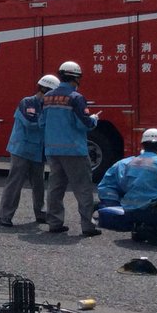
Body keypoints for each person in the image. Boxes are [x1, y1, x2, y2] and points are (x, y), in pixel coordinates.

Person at [39, 61, 100, 236]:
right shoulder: (76, 98)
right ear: (76, 78)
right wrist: (95, 119)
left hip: (53, 150)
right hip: (74, 151)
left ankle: (54, 223)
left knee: (55, 188)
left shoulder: (48, 97)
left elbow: (42, 122)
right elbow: (85, 124)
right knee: (83, 188)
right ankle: (88, 226)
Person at [0, 74, 60, 227]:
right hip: (22, 150)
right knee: (15, 184)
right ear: (44, 89)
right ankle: (5, 216)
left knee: (38, 184)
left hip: (37, 151)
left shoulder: (47, 106)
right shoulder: (27, 102)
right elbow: (30, 123)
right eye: (52, 93)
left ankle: (40, 213)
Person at [97, 128, 157, 245]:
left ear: (142, 145)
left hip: (129, 211)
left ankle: (140, 228)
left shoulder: (130, 162)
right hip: (150, 211)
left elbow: (123, 185)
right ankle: (148, 230)